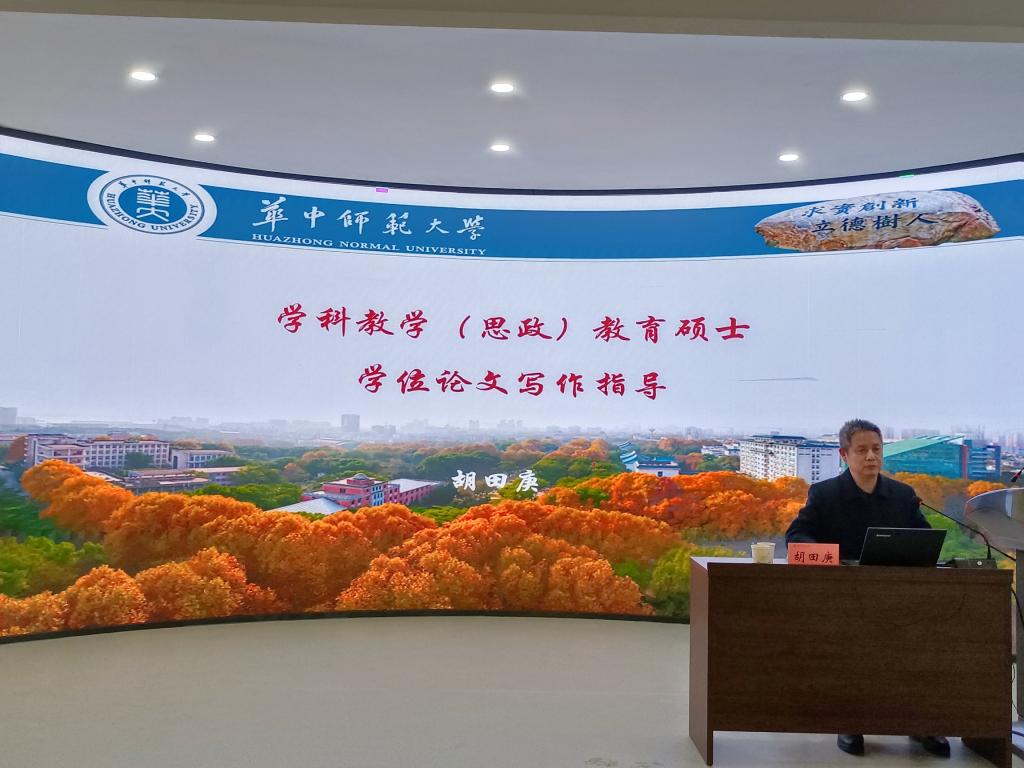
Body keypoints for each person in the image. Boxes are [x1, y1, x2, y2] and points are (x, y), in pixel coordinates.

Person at [785, 418, 949, 759]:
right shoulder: (825, 494)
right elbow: (797, 535)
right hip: (843, 597)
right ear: (844, 454)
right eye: (862, 450)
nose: (871, 456)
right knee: (854, 652)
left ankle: (920, 723)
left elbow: (925, 539)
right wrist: (828, 557)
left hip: (899, 597)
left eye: (876, 449)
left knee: (922, 651)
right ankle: (851, 721)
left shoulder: (902, 495)